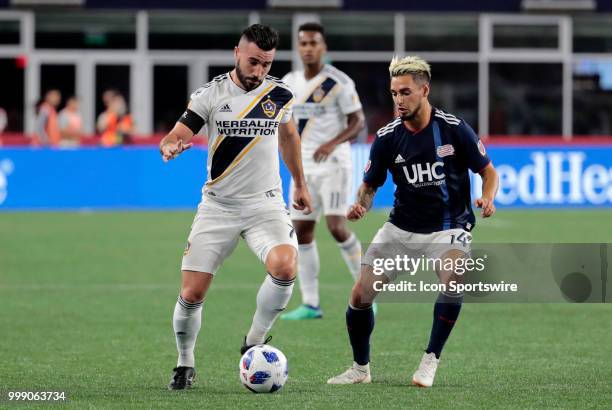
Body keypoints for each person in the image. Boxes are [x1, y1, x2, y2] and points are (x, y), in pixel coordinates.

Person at [327, 56, 499, 387]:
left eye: (405, 92)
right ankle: (360, 369)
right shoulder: (388, 137)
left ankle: (430, 360)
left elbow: (488, 172)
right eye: (394, 93)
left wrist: (488, 197)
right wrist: (360, 206)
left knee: (454, 278)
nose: (398, 100)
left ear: (424, 90)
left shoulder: (454, 128)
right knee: (360, 295)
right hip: (401, 228)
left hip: (448, 226)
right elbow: (369, 186)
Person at [159, 24, 312, 390]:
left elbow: (289, 138)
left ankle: (254, 341)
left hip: (266, 205)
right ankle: (184, 362)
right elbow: (182, 130)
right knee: (192, 292)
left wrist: (301, 184)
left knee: (286, 266)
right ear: (237, 53)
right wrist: (171, 143)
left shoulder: (280, 95)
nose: (258, 70)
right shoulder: (210, 94)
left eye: (266, 63)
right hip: (218, 207)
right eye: (253, 61)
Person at [280, 22, 366, 320]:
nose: (307, 48)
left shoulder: (338, 82)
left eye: (313, 43)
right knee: (301, 231)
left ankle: (366, 291)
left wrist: (332, 142)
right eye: (303, 43)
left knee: (337, 228)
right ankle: (311, 304)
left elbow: (358, 122)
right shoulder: (289, 81)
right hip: (302, 170)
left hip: (333, 165)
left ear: (323, 47)